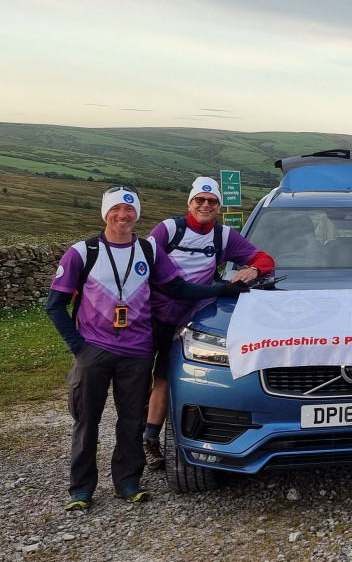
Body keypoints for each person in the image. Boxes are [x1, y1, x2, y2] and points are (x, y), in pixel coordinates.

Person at [46, 185, 249, 510]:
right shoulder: (83, 253)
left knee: (130, 421)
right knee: (87, 421)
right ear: (106, 213)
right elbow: (54, 305)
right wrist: (78, 347)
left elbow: (178, 288)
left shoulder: (149, 251)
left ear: (137, 214)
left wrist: (225, 289)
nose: (123, 215)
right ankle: (80, 490)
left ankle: (127, 483)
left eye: (130, 210)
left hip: (138, 350)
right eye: (116, 209)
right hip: (93, 350)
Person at [142, 176, 275, 469]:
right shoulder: (168, 229)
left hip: (185, 322)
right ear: (190, 203)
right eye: (199, 200)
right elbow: (143, 262)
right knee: (136, 380)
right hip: (149, 316)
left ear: (218, 206)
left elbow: (265, 259)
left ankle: (150, 441)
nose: (205, 205)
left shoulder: (223, 236)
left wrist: (252, 269)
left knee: (163, 380)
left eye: (212, 201)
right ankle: (130, 442)